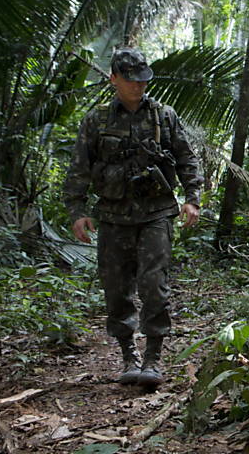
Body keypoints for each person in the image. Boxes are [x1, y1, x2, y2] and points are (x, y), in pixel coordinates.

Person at [63, 48, 202, 388]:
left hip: (156, 213)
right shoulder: (96, 120)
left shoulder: (164, 116)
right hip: (112, 215)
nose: (138, 86)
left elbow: (186, 159)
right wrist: (77, 211)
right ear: (114, 79)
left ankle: (153, 357)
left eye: (142, 80)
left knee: (153, 284)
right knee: (116, 288)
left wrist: (192, 199)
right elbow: (80, 167)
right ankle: (129, 354)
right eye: (130, 80)